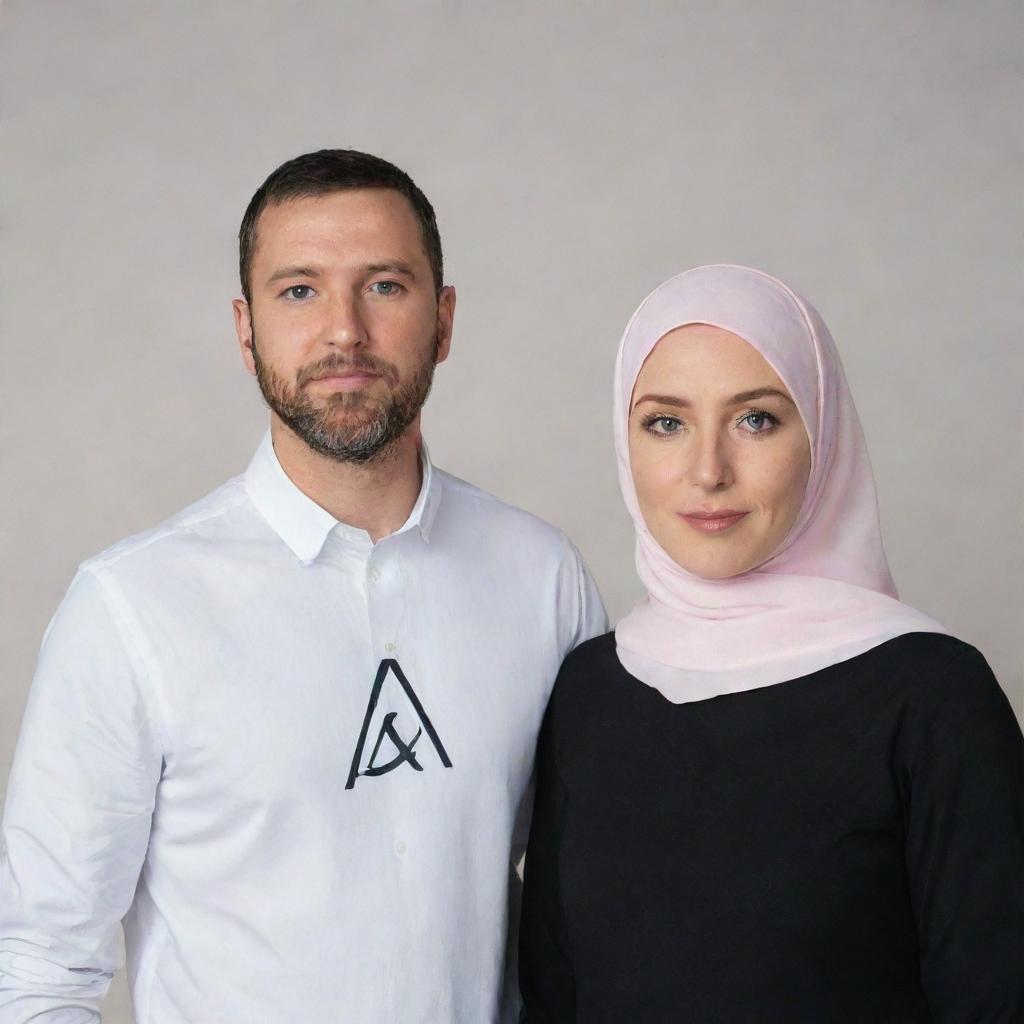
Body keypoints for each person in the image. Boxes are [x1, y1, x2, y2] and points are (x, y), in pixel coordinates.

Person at [0, 149, 606, 1022]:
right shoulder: (131, 608)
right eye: (300, 291)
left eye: (386, 286)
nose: (344, 332)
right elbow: (36, 970)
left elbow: (593, 897)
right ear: (245, 332)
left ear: (444, 321)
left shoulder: (543, 577)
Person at [519, 264, 1024, 1021]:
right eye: (666, 422)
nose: (708, 470)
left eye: (756, 419)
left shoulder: (933, 695)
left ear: (822, 432)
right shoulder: (592, 687)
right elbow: (555, 996)